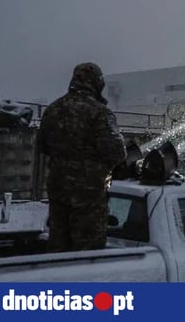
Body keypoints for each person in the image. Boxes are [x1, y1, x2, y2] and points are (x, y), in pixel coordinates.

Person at [36, 62, 126, 252]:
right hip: (89, 197)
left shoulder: (52, 110)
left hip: (58, 192)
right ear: (95, 82)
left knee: (58, 248)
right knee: (87, 254)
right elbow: (117, 152)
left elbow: (42, 147)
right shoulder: (100, 112)